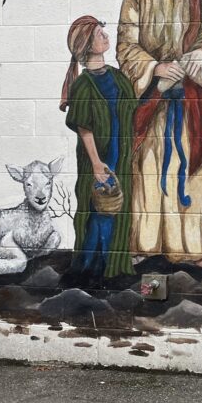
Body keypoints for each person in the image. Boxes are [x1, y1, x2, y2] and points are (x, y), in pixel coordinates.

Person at [117, 0, 202, 266]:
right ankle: (147, 248)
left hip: (191, 98)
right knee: (149, 173)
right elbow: (126, 45)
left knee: (192, 173)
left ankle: (191, 251)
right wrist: (155, 68)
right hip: (155, 98)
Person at [60, 16, 136, 279]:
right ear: (86, 44)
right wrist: (95, 164)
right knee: (97, 210)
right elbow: (84, 127)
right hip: (99, 158)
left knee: (117, 208)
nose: (106, 36)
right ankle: (92, 269)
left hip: (120, 155)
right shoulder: (83, 84)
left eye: (104, 32)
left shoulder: (117, 77)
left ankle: (115, 268)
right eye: (99, 34)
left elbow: (134, 107)